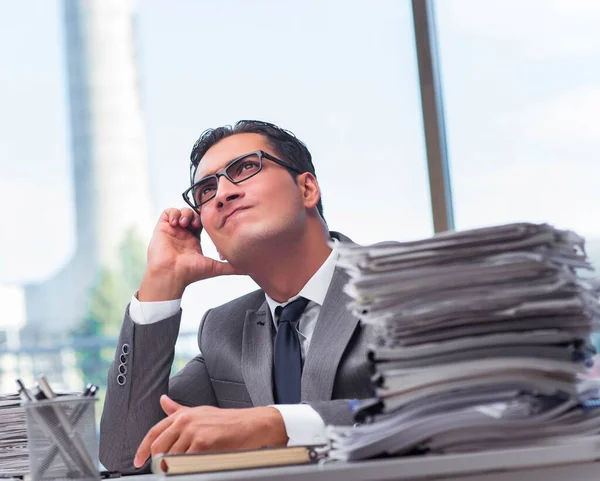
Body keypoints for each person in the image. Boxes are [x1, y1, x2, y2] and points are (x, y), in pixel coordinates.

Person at [99, 120, 373, 473]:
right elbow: (127, 451)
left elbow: (451, 409)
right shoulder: (223, 331)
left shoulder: (407, 281)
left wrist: (276, 424)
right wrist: (161, 283)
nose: (223, 194)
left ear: (306, 188)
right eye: (206, 191)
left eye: (246, 167)